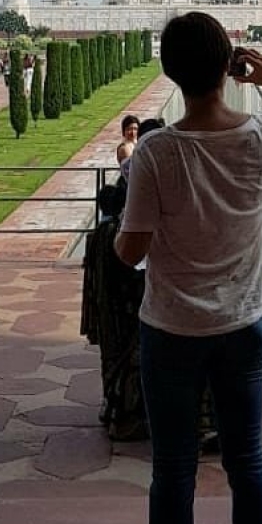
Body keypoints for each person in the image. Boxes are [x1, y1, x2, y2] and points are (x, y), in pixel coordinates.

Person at [114, 11, 262, 524]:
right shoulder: (260, 134)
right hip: (242, 323)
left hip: (172, 329)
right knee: (247, 464)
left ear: (169, 70)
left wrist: (120, 235)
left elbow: (131, 252)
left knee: (172, 471)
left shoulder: (156, 151)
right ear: (229, 65)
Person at [81, 183, 148, 441]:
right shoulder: (114, 234)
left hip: (107, 306)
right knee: (128, 361)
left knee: (111, 359)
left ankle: (112, 408)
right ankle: (125, 417)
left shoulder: (101, 232)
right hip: (122, 308)